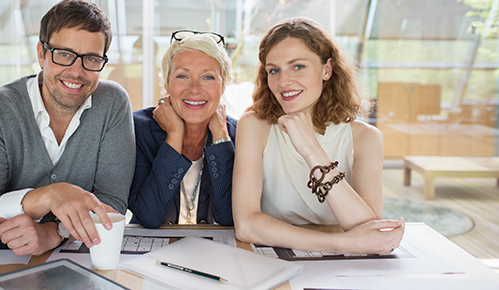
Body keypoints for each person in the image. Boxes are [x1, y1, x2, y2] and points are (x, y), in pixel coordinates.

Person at [0, 0, 135, 256]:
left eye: (92, 59)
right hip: (3, 257)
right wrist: (45, 197)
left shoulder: (112, 103)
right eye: (64, 54)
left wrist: (54, 232)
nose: (76, 71)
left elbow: (112, 205)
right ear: (41, 53)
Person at [232, 17, 405, 255]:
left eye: (298, 66)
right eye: (274, 70)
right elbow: (246, 225)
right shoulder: (254, 126)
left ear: (327, 69)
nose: (284, 82)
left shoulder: (366, 138)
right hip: (273, 259)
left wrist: (311, 148)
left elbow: (370, 234)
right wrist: (343, 244)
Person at [129, 30, 236, 228]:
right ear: (167, 84)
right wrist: (175, 135)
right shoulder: (137, 129)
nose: (194, 88)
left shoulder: (237, 134)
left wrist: (221, 136)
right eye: (183, 76)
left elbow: (229, 217)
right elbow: (147, 217)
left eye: (208, 77)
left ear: (223, 85)